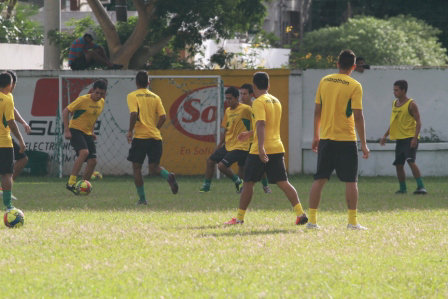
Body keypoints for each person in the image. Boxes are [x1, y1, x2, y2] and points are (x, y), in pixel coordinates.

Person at [225, 72, 308, 226]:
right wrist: (249, 133)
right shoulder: (276, 101)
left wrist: (261, 148)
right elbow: (266, 125)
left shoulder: (258, 102)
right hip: (277, 147)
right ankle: (300, 213)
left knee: (248, 183)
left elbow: (261, 124)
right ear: (268, 85)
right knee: (283, 182)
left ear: (254, 86)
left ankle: (239, 218)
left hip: (259, 150)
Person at [307, 49, 370, 230]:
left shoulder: (324, 81)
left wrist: (316, 135)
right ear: (354, 66)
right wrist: (364, 144)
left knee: (319, 179)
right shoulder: (354, 85)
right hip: (346, 139)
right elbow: (358, 116)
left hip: (326, 138)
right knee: (351, 181)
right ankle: (352, 222)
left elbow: (317, 111)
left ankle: (312, 221)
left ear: (337, 64)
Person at [127, 71, 178, 205]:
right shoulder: (156, 97)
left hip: (140, 137)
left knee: (137, 168)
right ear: (148, 83)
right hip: (155, 137)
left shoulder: (132, 96)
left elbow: (133, 114)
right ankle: (168, 176)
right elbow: (163, 117)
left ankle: (142, 199)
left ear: (136, 83)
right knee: (154, 167)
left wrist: (129, 131)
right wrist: (155, 128)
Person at [199, 86, 252, 193]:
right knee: (210, 161)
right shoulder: (228, 111)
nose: (228, 101)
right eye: (226, 98)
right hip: (228, 145)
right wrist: (219, 145)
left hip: (241, 146)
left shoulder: (246, 109)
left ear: (237, 98)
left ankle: (239, 182)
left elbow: (258, 121)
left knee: (222, 166)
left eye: (230, 98)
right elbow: (226, 130)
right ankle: (206, 187)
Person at [380, 80, 426, 195]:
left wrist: (415, 138)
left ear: (403, 90)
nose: (394, 92)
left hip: (410, 138)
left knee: (410, 161)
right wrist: (385, 135)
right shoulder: (394, 103)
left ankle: (421, 187)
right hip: (400, 139)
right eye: (393, 90)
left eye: (396, 90)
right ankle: (403, 189)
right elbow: (394, 122)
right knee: (399, 165)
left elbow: (419, 122)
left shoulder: (411, 104)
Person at [63, 79, 107, 194]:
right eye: (97, 92)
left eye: (101, 93)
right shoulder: (83, 100)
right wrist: (67, 130)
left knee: (93, 161)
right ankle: (71, 182)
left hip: (87, 133)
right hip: (75, 130)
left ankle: (82, 185)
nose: (98, 96)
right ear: (92, 90)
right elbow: (65, 111)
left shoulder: (101, 102)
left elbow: (93, 117)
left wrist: (92, 132)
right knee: (84, 152)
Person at [239, 83, 272, 194]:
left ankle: (265, 186)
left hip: (256, 140)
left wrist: (251, 134)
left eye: (245, 94)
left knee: (260, 165)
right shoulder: (240, 108)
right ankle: (242, 186)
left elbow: (261, 124)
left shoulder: (256, 105)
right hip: (244, 141)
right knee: (242, 165)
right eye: (241, 93)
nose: (242, 96)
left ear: (251, 94)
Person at [0, 72, 25, 210]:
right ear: (10, 85)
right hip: (3, 142)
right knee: (7, 174)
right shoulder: (8, 98)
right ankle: (8, 206)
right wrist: (21, 141)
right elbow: (11, 122)